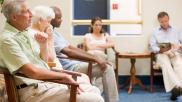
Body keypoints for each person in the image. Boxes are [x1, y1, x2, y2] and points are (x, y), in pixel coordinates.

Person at [0, 0, 104, 102]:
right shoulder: (7, 39)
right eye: (26, 11)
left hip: (47, 84)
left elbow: (45, 61)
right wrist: (64, 76)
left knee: (94, 90)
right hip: (33, 91)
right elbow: (33, 72)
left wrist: (43, 44)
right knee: (95, 99)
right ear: (14, 17)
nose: (31, 14)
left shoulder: (26, 32)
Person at [51, 6, 119, 102]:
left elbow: (71, 47)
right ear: (50, 18)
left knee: (106, 66)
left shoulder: (56, 33)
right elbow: (69, 52)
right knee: (107, 68)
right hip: (70, 68)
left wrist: (95, 57)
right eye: (59, 18)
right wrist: (96, 59)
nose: (61, 20)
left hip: (75, 63)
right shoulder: (51, 34)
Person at [150, 11, 182, 101]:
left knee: (179, 64)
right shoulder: (154, 32)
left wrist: (178, 46)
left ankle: (177, 89)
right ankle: (177, 87)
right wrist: (160, 49)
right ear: (159, 21)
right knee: (166, 65)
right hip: (162, 54)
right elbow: (152, 47)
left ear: (169, 19)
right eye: (162, 22)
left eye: (166, 21)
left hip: (175, 52)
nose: (164, 23)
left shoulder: (177, 30)